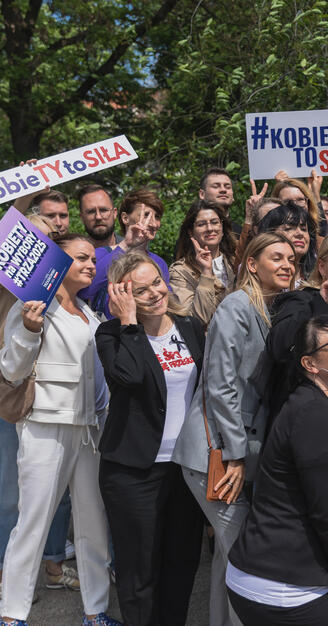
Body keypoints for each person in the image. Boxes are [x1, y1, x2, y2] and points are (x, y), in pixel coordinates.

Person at [226, 316, 328, 625]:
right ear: (310, 364)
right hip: (278, 586)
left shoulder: (324, 409)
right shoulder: (312, 416)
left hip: (293, 572)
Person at [172, 233, 296, 626]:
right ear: (252, 264)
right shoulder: (236, 306)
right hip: (214, 454)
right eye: (277, 257)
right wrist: (236, 454)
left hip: (236, 453)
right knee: (247, 556)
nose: (287, 264)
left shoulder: (269, 308)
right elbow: (219, 385)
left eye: (291, 258)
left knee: (230, 557)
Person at [0, 234, 118, 626]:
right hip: (45, 426)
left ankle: (95, 611)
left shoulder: (89, 313)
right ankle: (11, 615)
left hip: (89, 429)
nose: (91, 264)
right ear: (57, 263)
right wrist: (29, 331)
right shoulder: (32, 306)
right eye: (81, 258)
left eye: (93, 259)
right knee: (33, 521)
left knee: (93, 523)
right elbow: (12, 369)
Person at [96, 252, 206, 626]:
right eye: (140, 290)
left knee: (181, 563)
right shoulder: (110, 334)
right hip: (133, 471)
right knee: (138, 570)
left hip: (184, 467)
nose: (155, 293)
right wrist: (129, 322)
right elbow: (129, 377)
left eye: (156, 282)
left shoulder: (190, 327)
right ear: (122, 295)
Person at [0, 214, 75, 603]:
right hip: (5, 400)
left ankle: (54, 567)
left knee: (58, 492)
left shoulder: (57, 285)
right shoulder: (2, 281)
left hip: (47, 402)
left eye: (50, 237)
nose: (42, 242)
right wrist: (22, 197)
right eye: (32, 235)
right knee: (11, 494)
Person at [264, 227, 328, 420]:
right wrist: (322, 301)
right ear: (322, 267)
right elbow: (278, 347)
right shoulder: (302, 301)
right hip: (302, 421)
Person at [79, 187, 169, 318]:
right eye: (146, 215)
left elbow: (169, 304)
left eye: (157, 217)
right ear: (125, 218)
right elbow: (85, 291)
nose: (154, 224)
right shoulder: (101, 255)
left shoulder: (158, 262)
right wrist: (126, 245)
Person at [169, 199, 238, 326]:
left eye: (214, 222)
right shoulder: (180, 271)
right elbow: (197, 320)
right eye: (201, 224)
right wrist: (206, 273)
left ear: (222, 227)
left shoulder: (234, 262)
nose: (210, 228)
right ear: (191, 231)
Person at [256, 202, 316, 287]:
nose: (300, 234)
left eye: (303, 229)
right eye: (288, 229)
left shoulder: (320, 277)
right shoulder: (257, 287)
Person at [77, 184, 120, 249]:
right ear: (82, 217)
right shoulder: (72, 253)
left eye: (103, 210)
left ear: (114, 213)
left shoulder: (133, 249)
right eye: (91, 212)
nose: (98, 217)